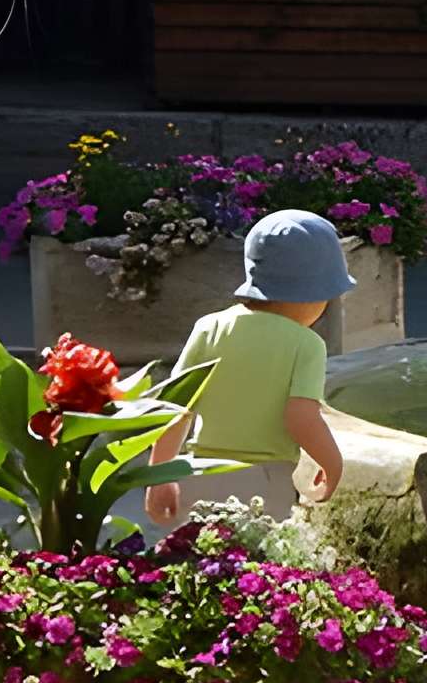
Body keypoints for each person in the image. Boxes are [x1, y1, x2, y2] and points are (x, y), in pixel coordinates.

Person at [144, 209, 351, 524]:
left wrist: (160, 474)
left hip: (200, 471)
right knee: (262, 567)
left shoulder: (208, 328)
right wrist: (332, 463)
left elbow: (175, 408)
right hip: (266, 481)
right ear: (315, 294)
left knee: (200, 563)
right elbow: (300, 419)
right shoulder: (307, 345)